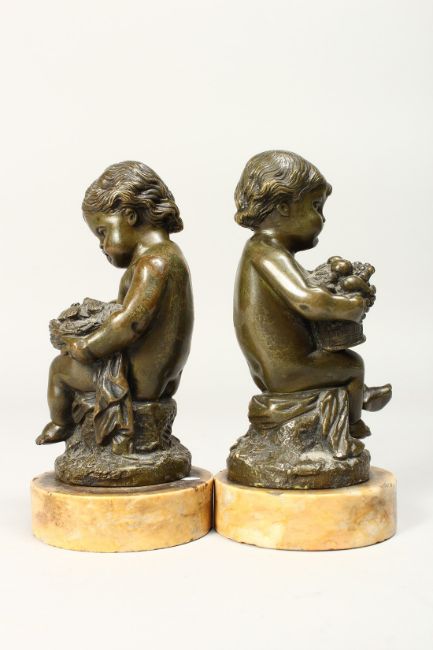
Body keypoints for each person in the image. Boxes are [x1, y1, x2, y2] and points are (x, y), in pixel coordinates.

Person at [233, 150, 390, 439]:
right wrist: (349, 307)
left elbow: (305, 288)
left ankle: (360, 394)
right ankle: (354, 422)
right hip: (286, 369)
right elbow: (307, 300)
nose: (322, 219)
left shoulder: (267, 252)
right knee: (353, 365)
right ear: (283, 207)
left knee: (342, 363)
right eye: (316, 207)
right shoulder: (265, 252)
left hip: (278, 366)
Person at [37, 161, 193, 445]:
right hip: (157, 373)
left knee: (59, 369)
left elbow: (131, 322)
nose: (101, 243)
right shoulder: (166, 256)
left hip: (140, 375)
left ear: (130, 215)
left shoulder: (154, 262)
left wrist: (87, 347)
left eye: (103, 231)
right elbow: (129, 310)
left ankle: (61, 424)